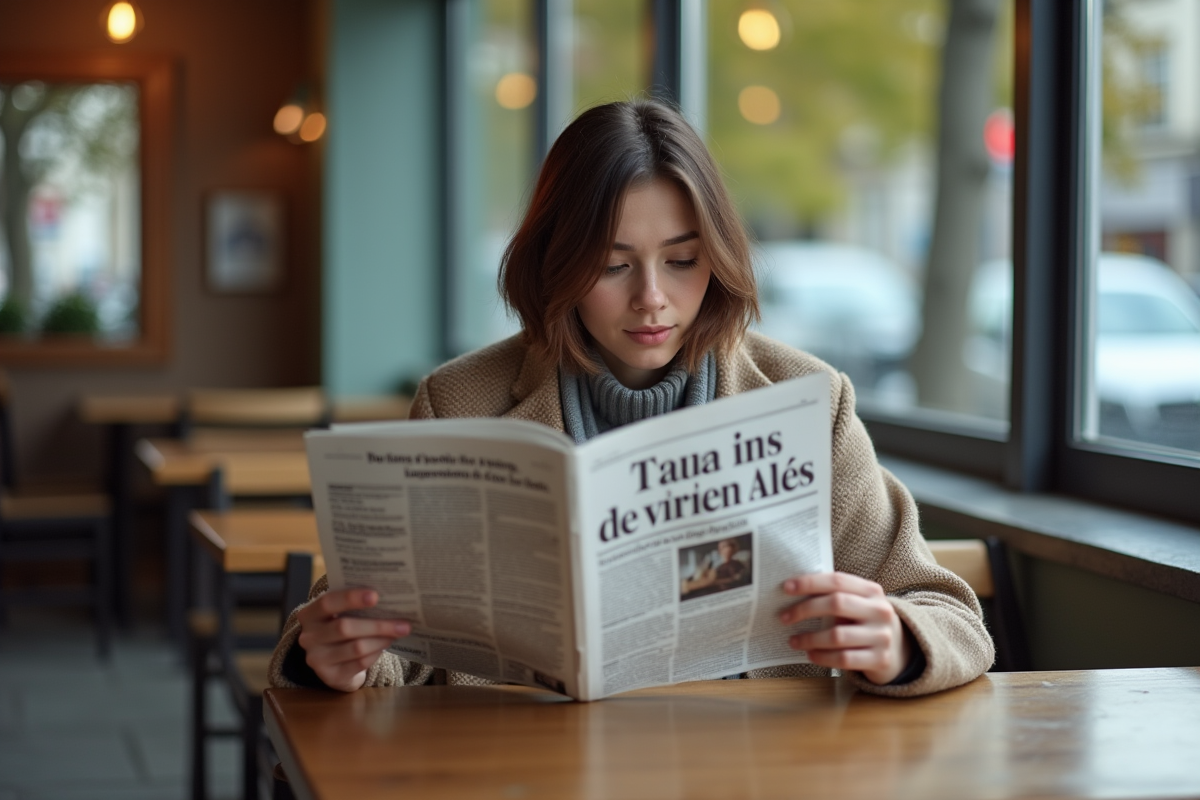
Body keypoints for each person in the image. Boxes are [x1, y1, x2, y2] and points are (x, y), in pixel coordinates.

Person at [269, 99, 994, 698]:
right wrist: (342, 662)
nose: (653, 299)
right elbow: (396, 649)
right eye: (614, 265)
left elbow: (949, 616)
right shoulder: (458, 401)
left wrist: (896, 639)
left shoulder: (809, 399)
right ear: (559, 263)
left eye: (682, 261)